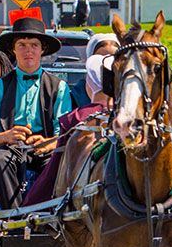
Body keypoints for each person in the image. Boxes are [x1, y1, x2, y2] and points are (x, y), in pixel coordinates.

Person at [0, 17, 75, 208]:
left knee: (58, 161)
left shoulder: (59, 87)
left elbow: (64, 134)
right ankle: (15, 219)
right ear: (13, 49)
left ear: (42, 49)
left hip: (44, 149)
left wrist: (47, 144)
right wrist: (7, 136)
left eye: (34, 45)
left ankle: (47, 215)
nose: (28, 50)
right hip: (10, 148)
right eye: (22, 45)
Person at [19, 34, 120, 206]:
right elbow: (62, 131)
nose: (106, 62)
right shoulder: (73, 97)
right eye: (101, 57)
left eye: (112, 57)